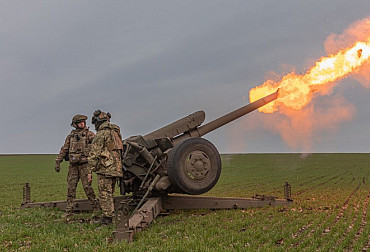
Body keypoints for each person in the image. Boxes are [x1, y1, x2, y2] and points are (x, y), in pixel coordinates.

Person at [55, 114, 100, 216]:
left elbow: (97, 146)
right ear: (75, 124)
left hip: (84, 165)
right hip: (73, 166)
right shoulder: (70, 137)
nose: (82, 124)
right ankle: (69, 209)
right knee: (71, 188)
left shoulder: (89, 135)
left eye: (83, 122)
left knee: (87, 188)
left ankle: (96, 207)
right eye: (80, 122)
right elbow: (64, 149)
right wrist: (58, 161)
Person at [87, 110, 123, 225]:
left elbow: (94, 153)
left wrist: (89, 171)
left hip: (105, 168)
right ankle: (110, 214)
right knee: (110, 192)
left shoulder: (102, 133)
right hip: (116, 167)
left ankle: (107, 219)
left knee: (104, 194)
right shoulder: (115, 132)